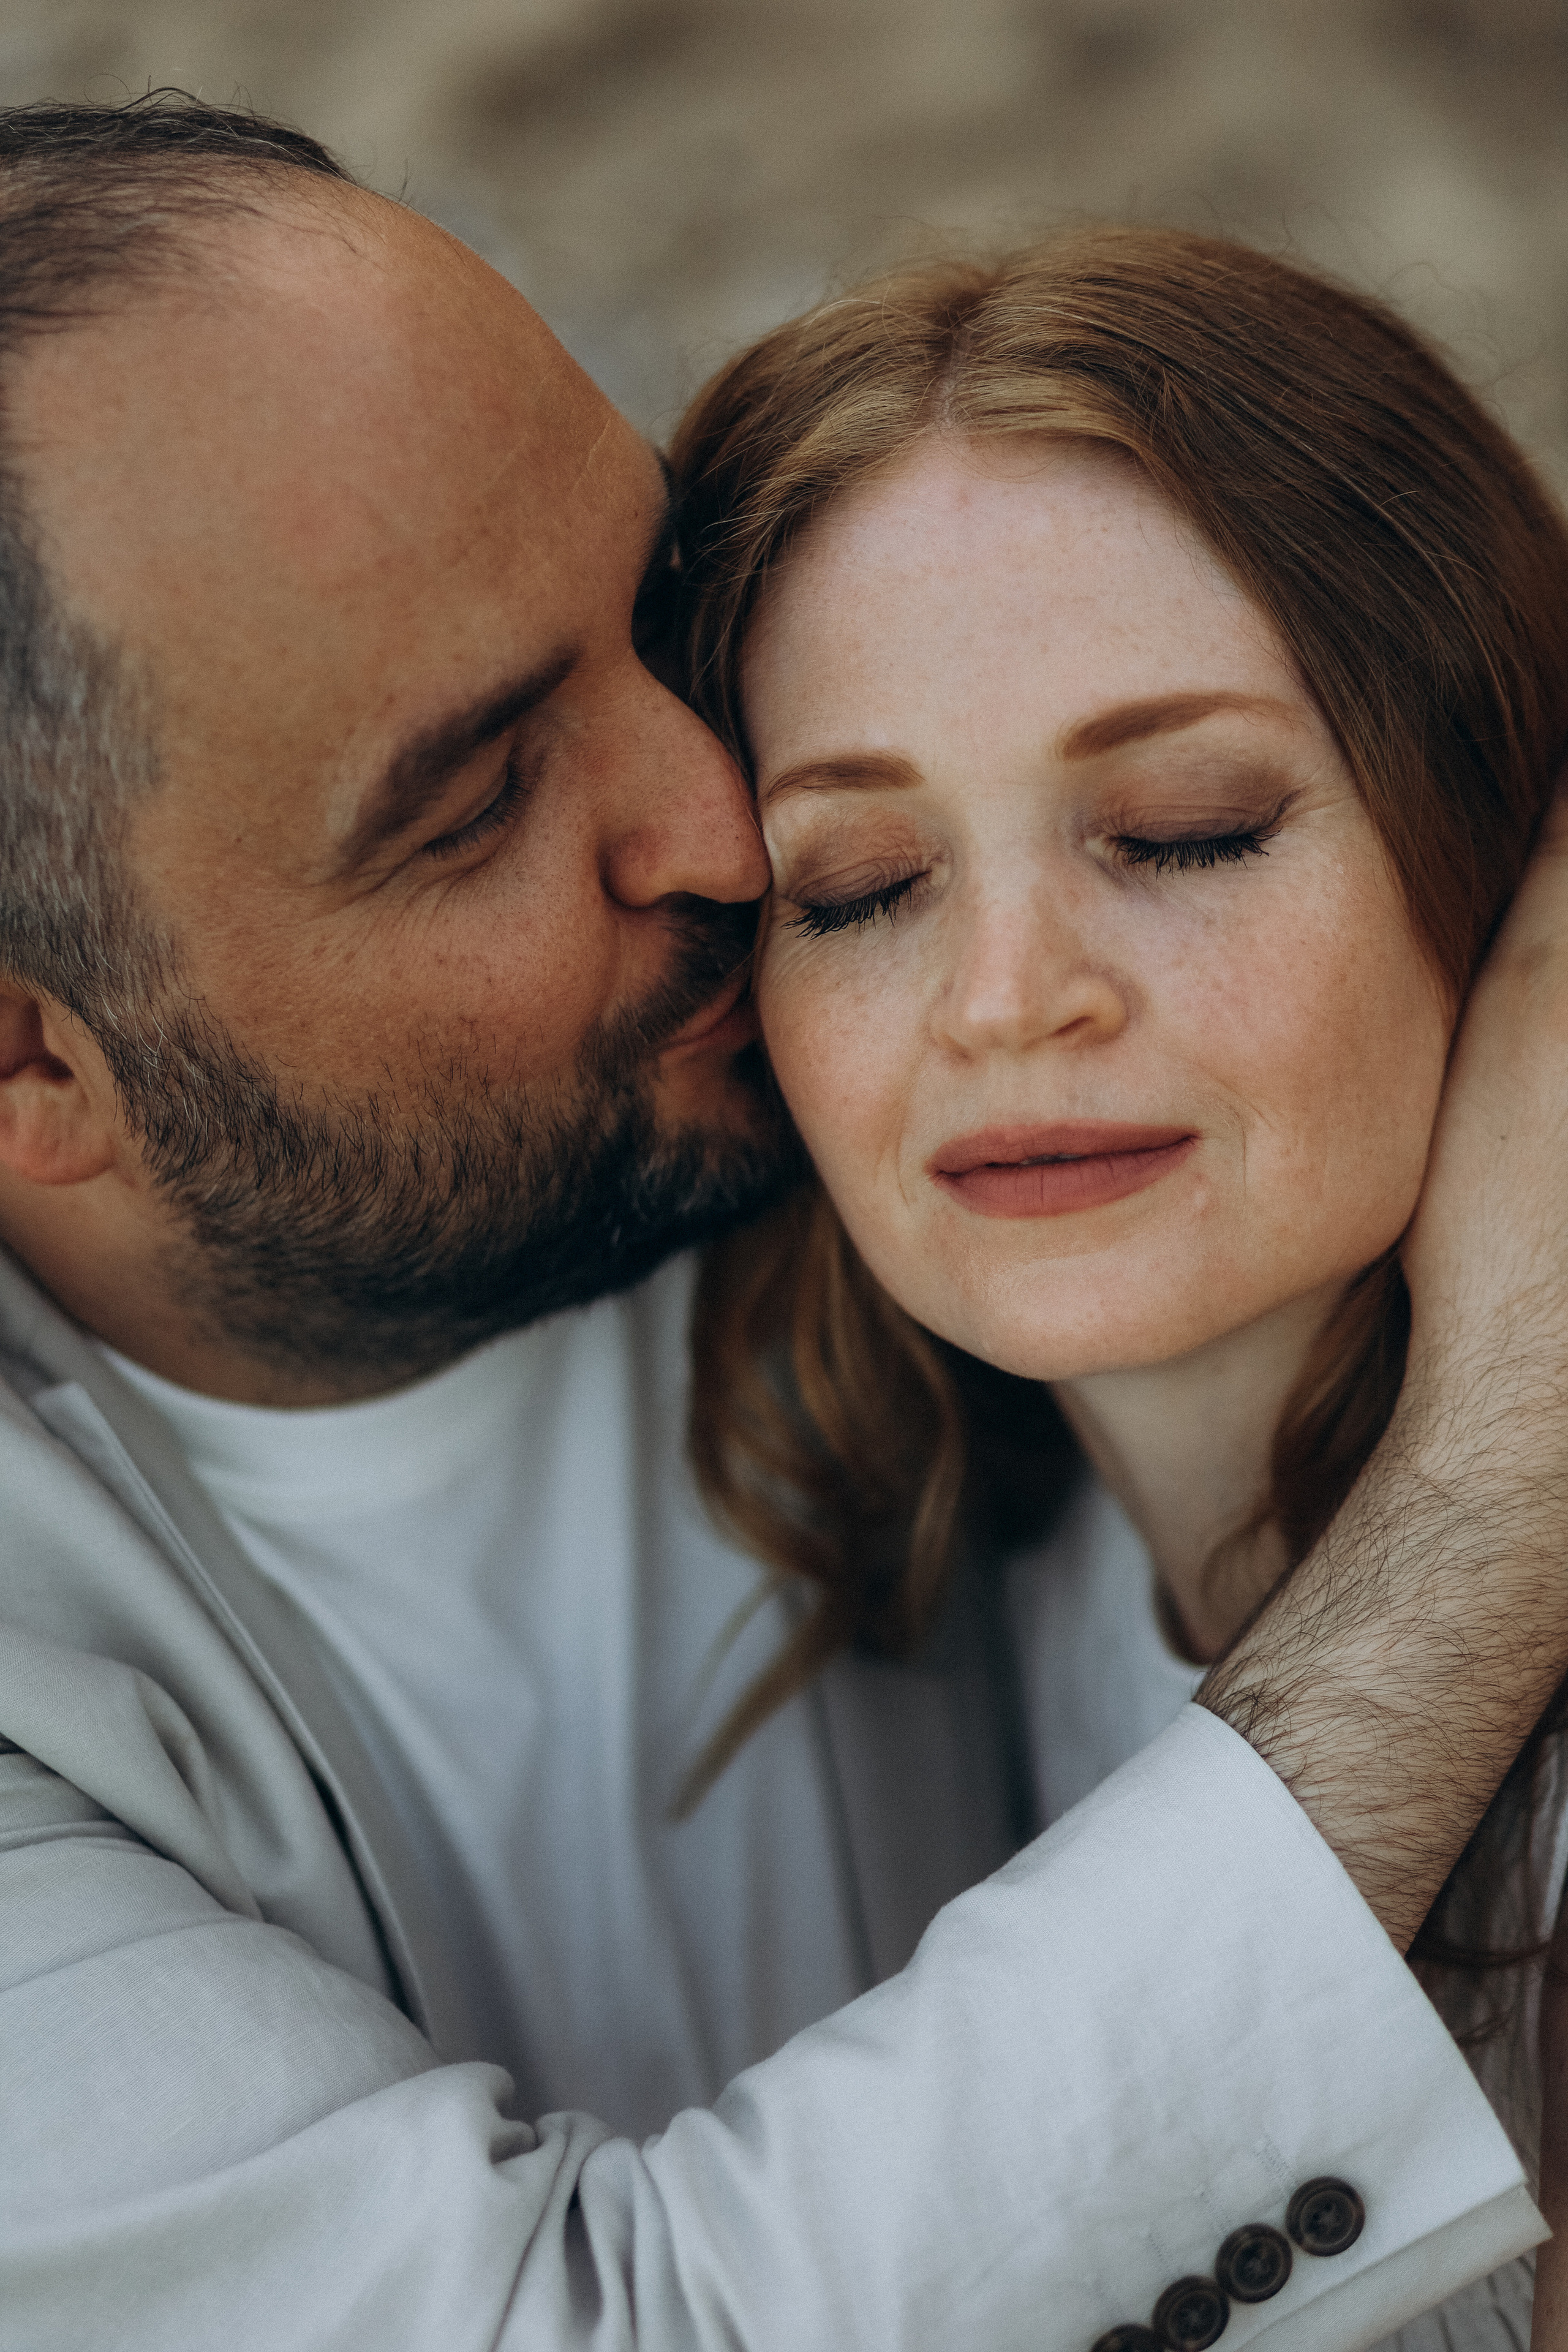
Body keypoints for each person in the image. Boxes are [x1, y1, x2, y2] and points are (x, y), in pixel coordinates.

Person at [1, 92, 1567, 2352]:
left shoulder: (917, 1191)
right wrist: (1501, 1486)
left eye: (649, 620)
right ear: (31, 1069)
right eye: (474, 804)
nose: (723, 827)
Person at [668, 232, 1568, 2349]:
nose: (1003, 1003)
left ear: (1508, 848)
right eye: (861, 887)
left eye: (1183, 828)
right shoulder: (943, 1605)